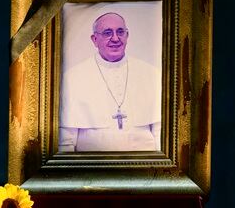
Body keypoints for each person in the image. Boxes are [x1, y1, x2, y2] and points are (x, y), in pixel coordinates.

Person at [58, 12, 161, 152]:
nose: (115, 38)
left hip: (144, 165)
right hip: (93, 167)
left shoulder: (151, 73)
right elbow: (66, 139)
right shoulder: (73, 77)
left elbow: (160, 130)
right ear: (94, 39)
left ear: (127, 36)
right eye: (107, 33)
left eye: (120, 32)